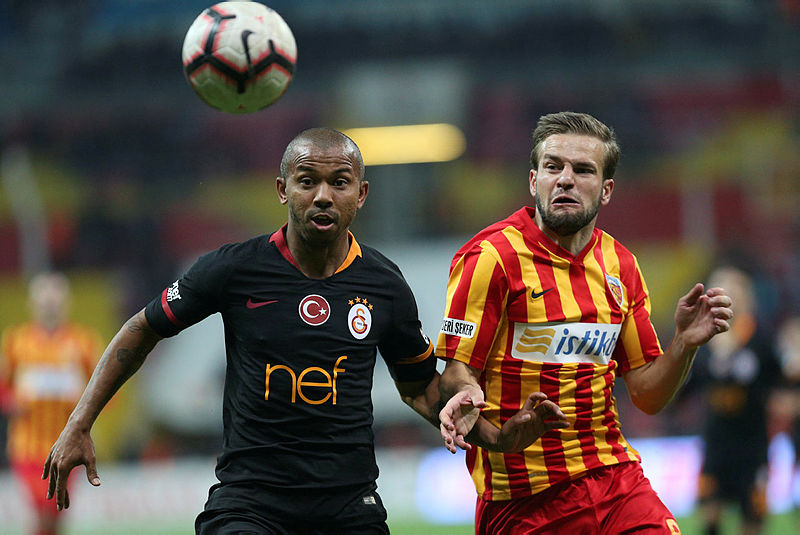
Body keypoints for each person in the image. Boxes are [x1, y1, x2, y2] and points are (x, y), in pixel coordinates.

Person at [42, 128, 455, 534]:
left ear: (361, 194)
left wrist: (481, 426)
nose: (323, 196)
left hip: (349, 505)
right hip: (251, 503)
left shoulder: (384, 284)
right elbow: (142, 328)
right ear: (282, 189)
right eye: (307, 181)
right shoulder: (234, 268)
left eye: (339, 182)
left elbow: (420, 388)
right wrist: (79, 423)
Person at [437, 111, 733, 534]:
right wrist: (466, 394)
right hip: (522, 499)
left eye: (582, 170)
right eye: (553, 166)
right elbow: (456, 371)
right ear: (534, 181)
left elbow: (648, 394)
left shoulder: (621, 265)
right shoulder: (491, 258)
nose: (565, 179)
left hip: (615, 480)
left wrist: (684, 344)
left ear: (606, 189)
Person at [1, 272, 100, 535]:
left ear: (66, 303)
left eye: (55, 301)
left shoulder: (83, 343)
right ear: (32, 304)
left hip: (69, 443)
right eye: (44, 301)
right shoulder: (16, 342)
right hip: (27, 445)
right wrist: (12, 402)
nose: (49, 306)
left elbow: (104, 390)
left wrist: (82, 404)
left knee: (56, 513)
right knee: (44, 510)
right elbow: (3, 389)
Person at [689, 263, 781, 535]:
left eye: (732, 290)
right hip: (715, 446)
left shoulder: (762, 339)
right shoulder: (702, 339)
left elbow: (780, 381)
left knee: (752, 520)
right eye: (718, 289)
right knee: (709, 519)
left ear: (746, 296)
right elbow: (687, 386)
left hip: (753, 448)